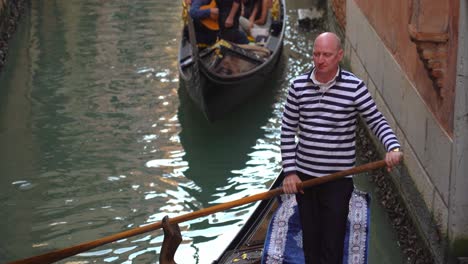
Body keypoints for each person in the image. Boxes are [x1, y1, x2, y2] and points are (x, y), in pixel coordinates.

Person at [280, 32, 403, 263]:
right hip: (305, 180)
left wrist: (392, 147)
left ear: (339, 55)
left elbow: (376, 120)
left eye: (326, 54)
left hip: (338, 179)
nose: (319, 60)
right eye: (316, 54)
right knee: (311, 241)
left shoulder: (354, 87)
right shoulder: (298, 86)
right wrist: (290, 172)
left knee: (333, 241)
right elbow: (287, 130)